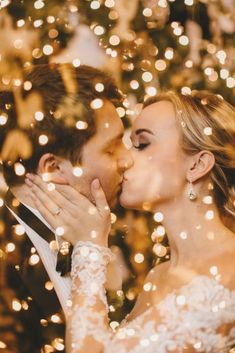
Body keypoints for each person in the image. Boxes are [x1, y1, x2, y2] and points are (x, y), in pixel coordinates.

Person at [26, 90, 235, 353]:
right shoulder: (159, 274)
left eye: (142, 144)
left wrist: (90, 247)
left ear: (197, 165)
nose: (124, 160)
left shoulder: (229, 274)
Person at [1, 63, 132, 352]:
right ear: (54, 167)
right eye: (112, 149)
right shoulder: (5, 261)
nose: (127, 160)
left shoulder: (94, 236)